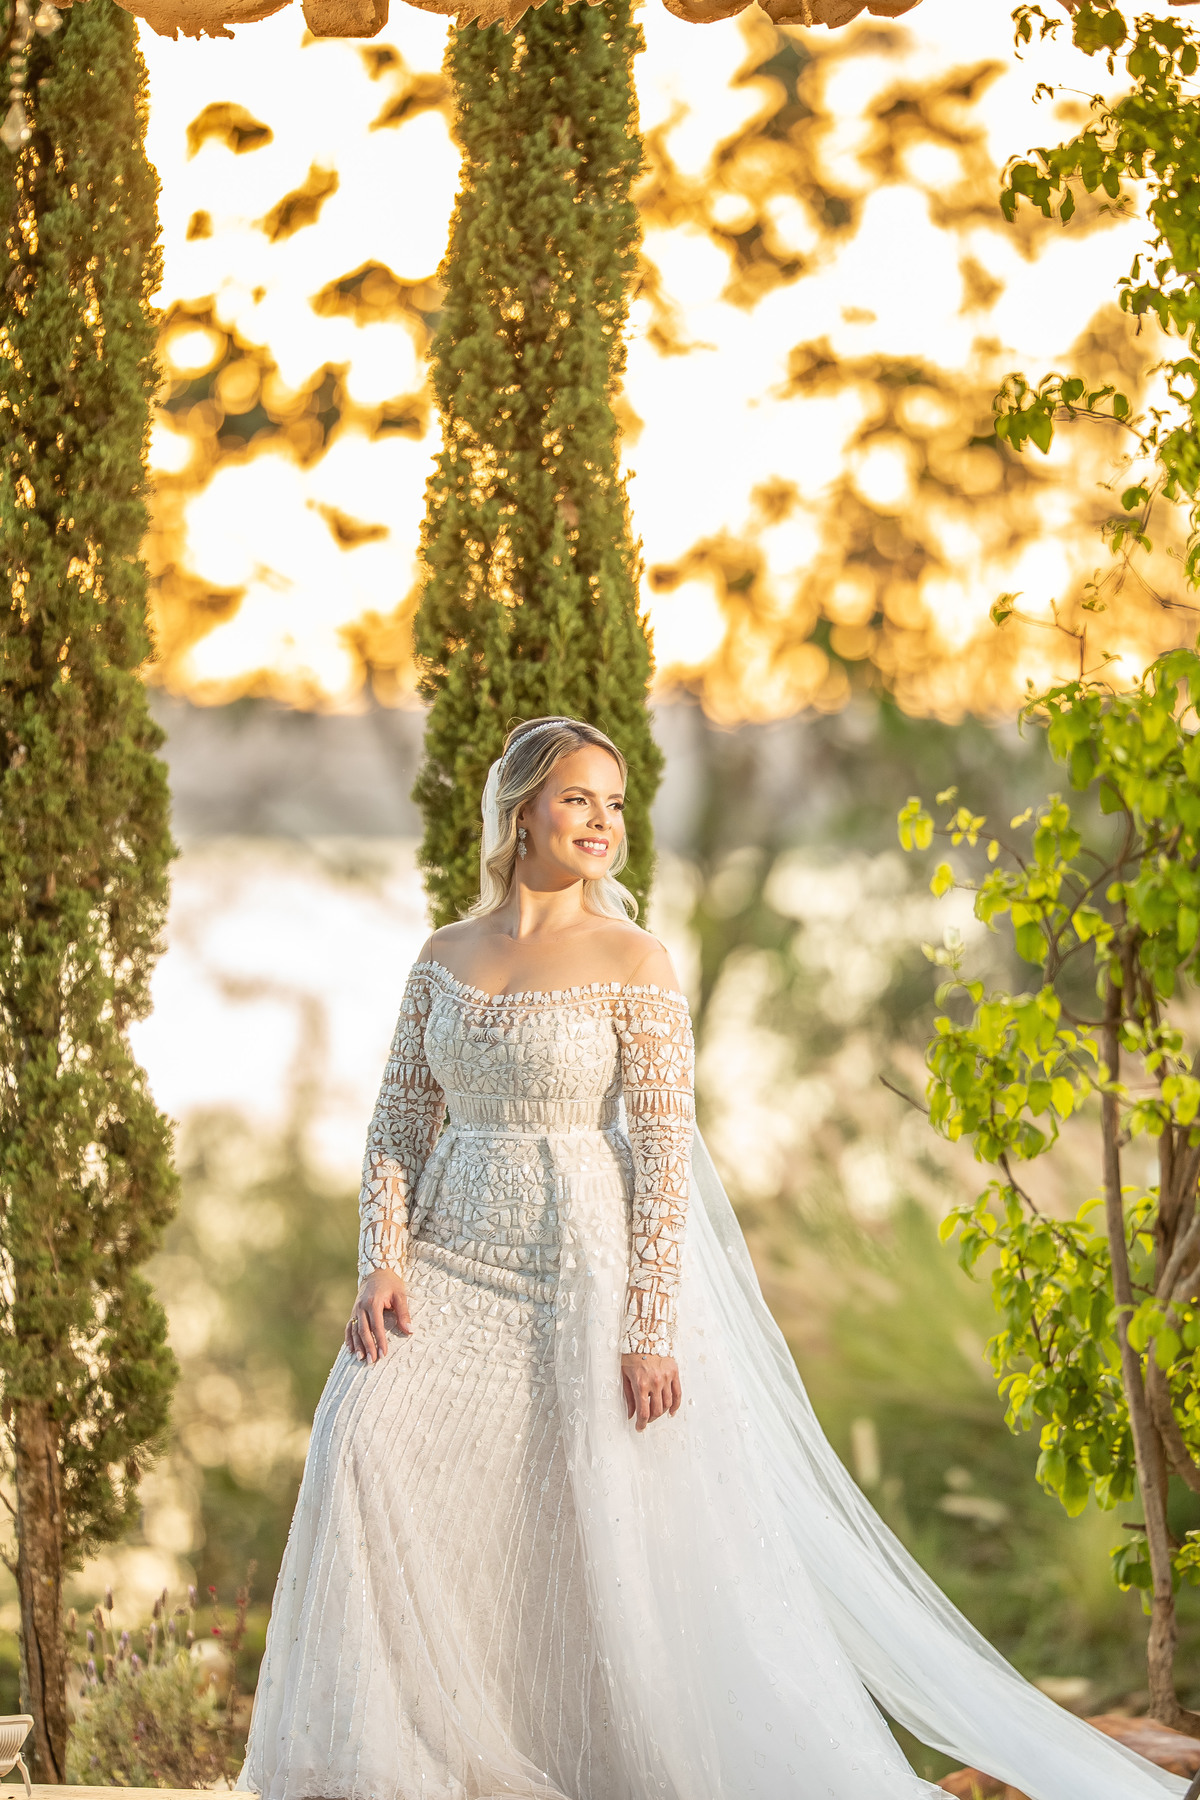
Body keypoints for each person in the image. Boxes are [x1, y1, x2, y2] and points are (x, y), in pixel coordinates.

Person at [242, 716, 1185, 1800]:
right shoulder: (441, 957)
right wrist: (382, 1260)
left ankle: (564, 1762)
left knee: (574, 1518)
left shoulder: (635, 960)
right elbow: (399, 1120)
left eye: (615, 803)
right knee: (360, 1440)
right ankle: (396, 1761)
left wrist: (649, 1327)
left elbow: (661, 1153)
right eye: (578, 800)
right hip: (449, 1261)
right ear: (521, 814)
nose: (604, 824)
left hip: (577, 1266)